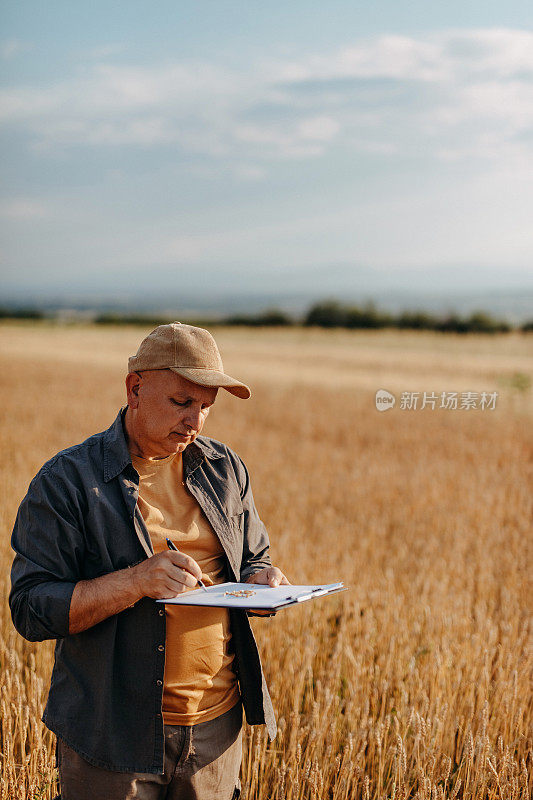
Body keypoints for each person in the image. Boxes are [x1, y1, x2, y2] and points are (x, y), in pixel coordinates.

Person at [9, 322, 289, 800]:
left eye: (205, 407)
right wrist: (135, 581)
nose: (196, 421)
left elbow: (254, 557)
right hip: (111, 737)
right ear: (135, 388)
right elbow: (32, 609)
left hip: (216, 731)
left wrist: (264, 580)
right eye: (182, 402)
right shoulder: (67, 482)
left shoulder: (225, 470)